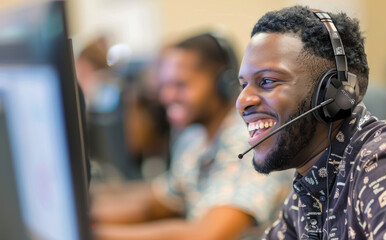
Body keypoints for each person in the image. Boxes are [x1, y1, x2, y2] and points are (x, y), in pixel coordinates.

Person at [235, 5, 386, 240]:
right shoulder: (308, 191)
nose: (242, 101)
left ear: (332, 95)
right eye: (243, 85)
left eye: (266, 81)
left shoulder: (383, 164)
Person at [91, 32, 292, 240]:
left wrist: (88, 234)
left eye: (180, 85)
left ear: (222, 83)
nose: (167, 96)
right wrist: (85, 210)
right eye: (165, 85)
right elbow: (156, 204)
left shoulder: (249, 141)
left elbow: (205, 236)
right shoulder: (195, 138)